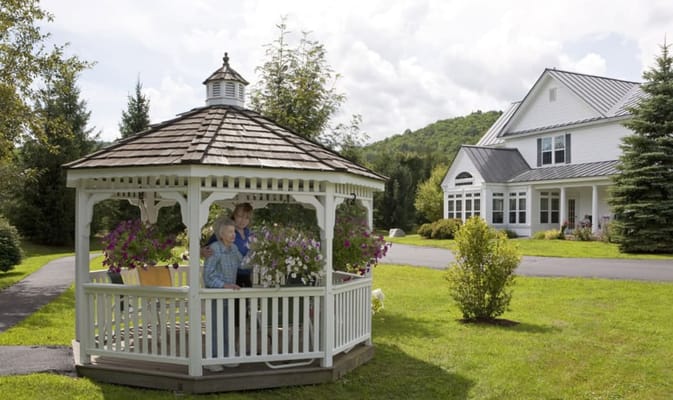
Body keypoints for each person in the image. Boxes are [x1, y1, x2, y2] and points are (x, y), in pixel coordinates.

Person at [203, 218, 242, 371]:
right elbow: (208, 275)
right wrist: (224, 285)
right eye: (230, 232)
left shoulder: (233, 249)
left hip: (228, 296)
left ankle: (225, 356)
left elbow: (244, 263)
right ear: (221, 233)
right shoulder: (214, 248)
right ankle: (211, 359)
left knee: (227, 326)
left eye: (234, 232)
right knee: (215, 327)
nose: (233, 235)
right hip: (215, 295)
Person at [202, 203, 253, 287]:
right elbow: (207, 249)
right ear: (234, 215)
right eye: (240, 216)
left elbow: (245, 261)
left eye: (247, 218)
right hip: (229, 278)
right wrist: (201, 251)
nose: (243, 220)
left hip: (246, 276)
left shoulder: (249, 234)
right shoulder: (224, 231)